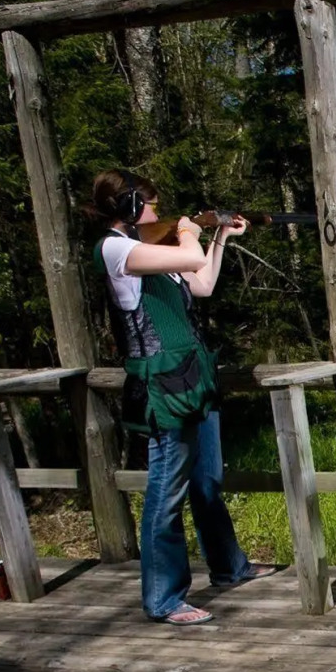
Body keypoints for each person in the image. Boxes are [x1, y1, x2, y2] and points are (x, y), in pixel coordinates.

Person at [86, 169, 274, 625]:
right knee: (165, 492)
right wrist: (190, 231)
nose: (156, 212)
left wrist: (221, 238)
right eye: (149, 204)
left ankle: (229, 567)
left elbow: (202, 281)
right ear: (129, 207)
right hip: (164, 387)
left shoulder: (154, 253)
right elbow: (188, 255)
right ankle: (163, 598)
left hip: (192, 379)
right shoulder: (115, 249)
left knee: (207, 481)